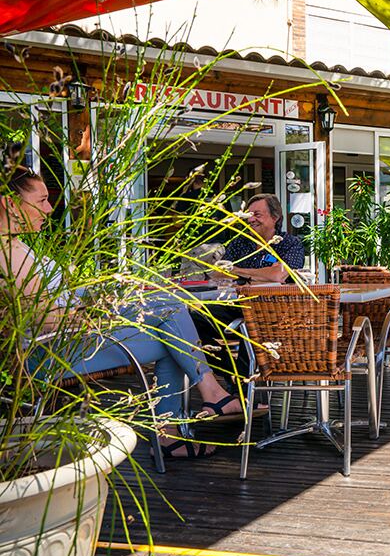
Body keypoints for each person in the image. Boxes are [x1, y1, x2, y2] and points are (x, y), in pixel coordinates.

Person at [0, 164, 246, 459]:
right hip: (53, 352)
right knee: (172, 331)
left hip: (74, 337)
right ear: (9, 203)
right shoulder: (6, 255)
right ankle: (187, 417)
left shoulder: (17, 245)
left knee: (168, 308)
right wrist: (101, 316)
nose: (50, 209)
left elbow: (59, 298)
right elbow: (47, 320)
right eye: (41, 200)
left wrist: (105, 294)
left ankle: (193, 412)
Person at [192, 193, 305, 388]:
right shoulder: (240, 242)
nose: (251, 219)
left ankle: (244, 392)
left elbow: (277, 275)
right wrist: (257, 275)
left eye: (257, 214)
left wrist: (238, 272)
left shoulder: (290, 244)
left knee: (251, 326)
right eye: (249, 215)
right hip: (236, 306)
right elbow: (217, 272)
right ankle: (230, 370)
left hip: (274, 314)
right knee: (192, 319)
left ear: (275, 217)